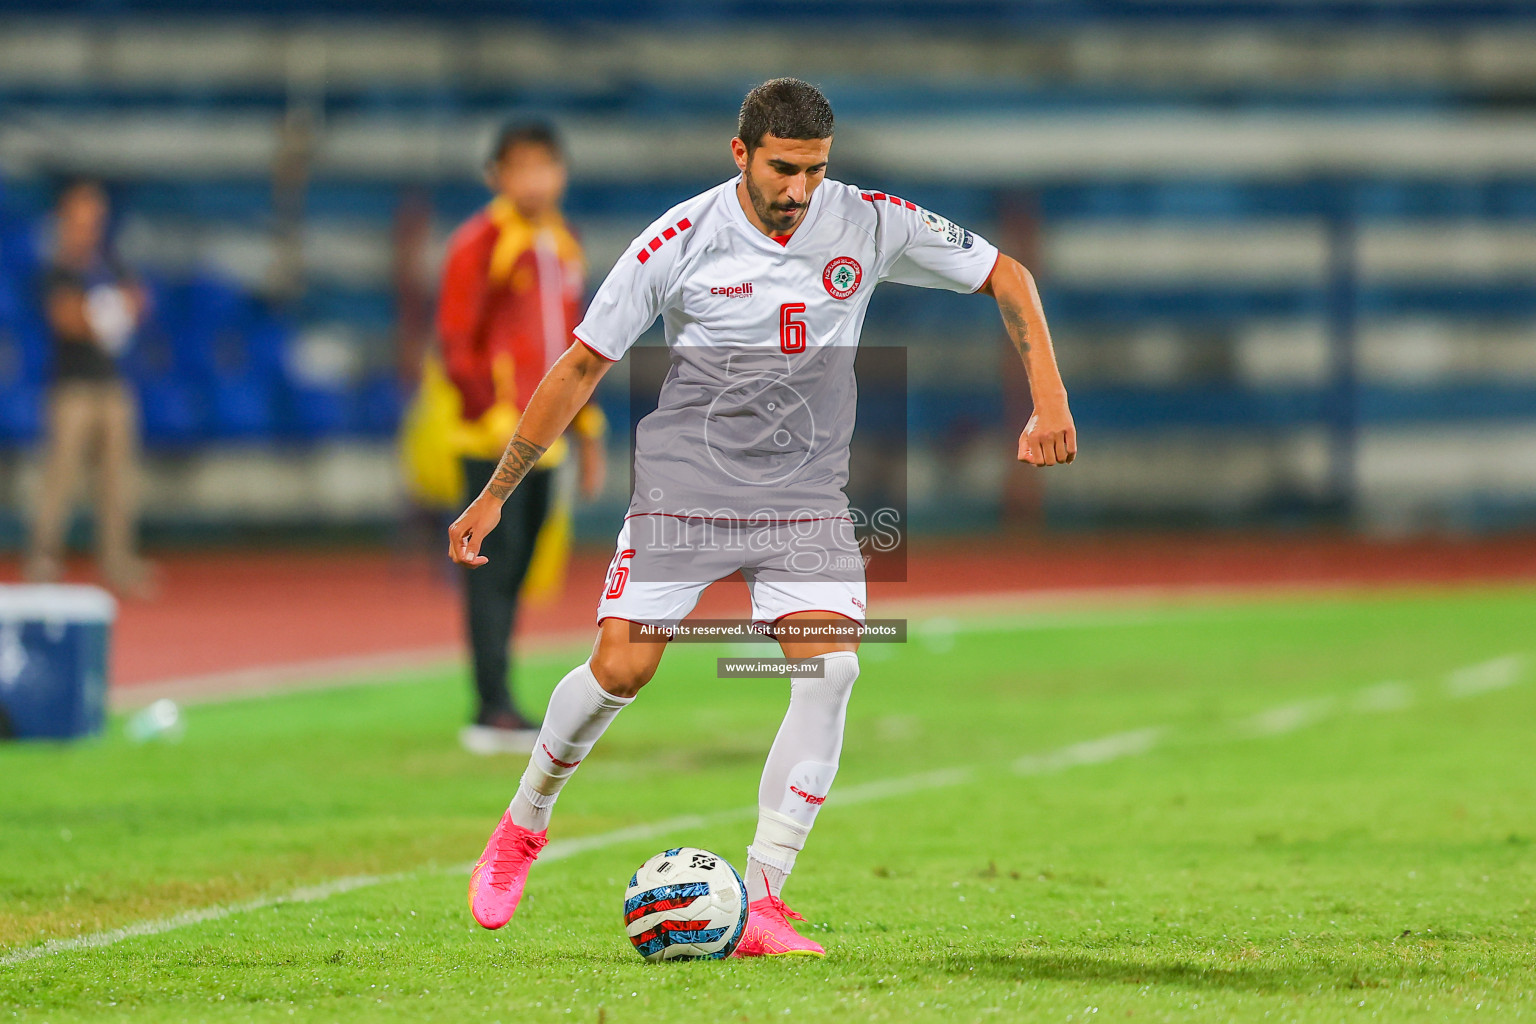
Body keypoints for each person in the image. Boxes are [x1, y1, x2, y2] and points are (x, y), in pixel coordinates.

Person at [447, 79, 1077, 956]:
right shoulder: (679, 237)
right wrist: (497, 491)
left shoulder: (868, 220)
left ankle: (766, 898)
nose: (801, 190)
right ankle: (523, 823)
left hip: (803, 499)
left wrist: (1048, 399)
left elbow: (1006, 274)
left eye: (817, 171)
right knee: (622, 670)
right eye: (784, 169)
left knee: (833, 672)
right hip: (687, 488)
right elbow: (582, 366)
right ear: (740, 154)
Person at [437, 122, 608, 755]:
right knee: (490, 569)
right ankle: (490, 705)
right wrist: (491, 414)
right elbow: (457, 342)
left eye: (546, 166)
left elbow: (578, 346)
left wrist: (585, 428)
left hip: (547, 440)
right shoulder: (480, 243)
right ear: (497, 177)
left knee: (518, 572)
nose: (536, 180)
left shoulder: (562, 243)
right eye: (522, 168)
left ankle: (502, 700)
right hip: (493, 439)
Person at [26, 179, 154, 597]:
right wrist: (106, 315)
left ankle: (118, 560)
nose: (90, 226)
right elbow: (66, 318)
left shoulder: (109, 262)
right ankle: (44, 557)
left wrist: (108, 313)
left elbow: (139, 301)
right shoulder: (58, 266)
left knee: (118, 481)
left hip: (111, 383)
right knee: (61, 477)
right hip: (72, 387)